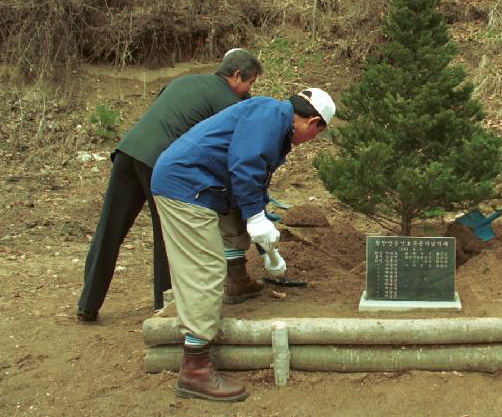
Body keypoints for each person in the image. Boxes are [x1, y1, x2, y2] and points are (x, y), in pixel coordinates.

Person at [151, 88, 335, 402]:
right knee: (205, 270)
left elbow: (253, 182)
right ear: (314, 123)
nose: (310, 142)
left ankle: (237, 281)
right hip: (186, 185)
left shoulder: (273, 123)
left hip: (201, 183)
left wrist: (265, 242)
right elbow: (245, 165)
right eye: (316, 135)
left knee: (238, 222)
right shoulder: (270, 116)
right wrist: (255, 217)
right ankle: (194, 368)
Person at [76, 49, 263, 322]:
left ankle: (87, 304)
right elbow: (234, 149)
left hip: (128, 152)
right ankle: (165, 307)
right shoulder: (228, 100)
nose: (249, 90)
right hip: (160, 163)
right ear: (236, 76)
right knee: (169, 235)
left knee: (109, 230)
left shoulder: (184, 81)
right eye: (250, 83)